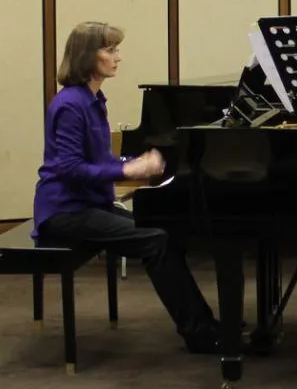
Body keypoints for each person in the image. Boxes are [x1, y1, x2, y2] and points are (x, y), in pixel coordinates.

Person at [32, 21, 220, 354]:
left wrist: (133, 162)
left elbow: (99, 158)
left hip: (89, 204)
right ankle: (200, 332)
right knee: (156, 241)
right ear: (89, 56)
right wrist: (129, 169)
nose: (117, 57)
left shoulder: (92, 98)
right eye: (110, 50)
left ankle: (203, 324)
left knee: (165, 231)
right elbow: (70, 169)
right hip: (65, 211)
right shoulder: (70, 105)